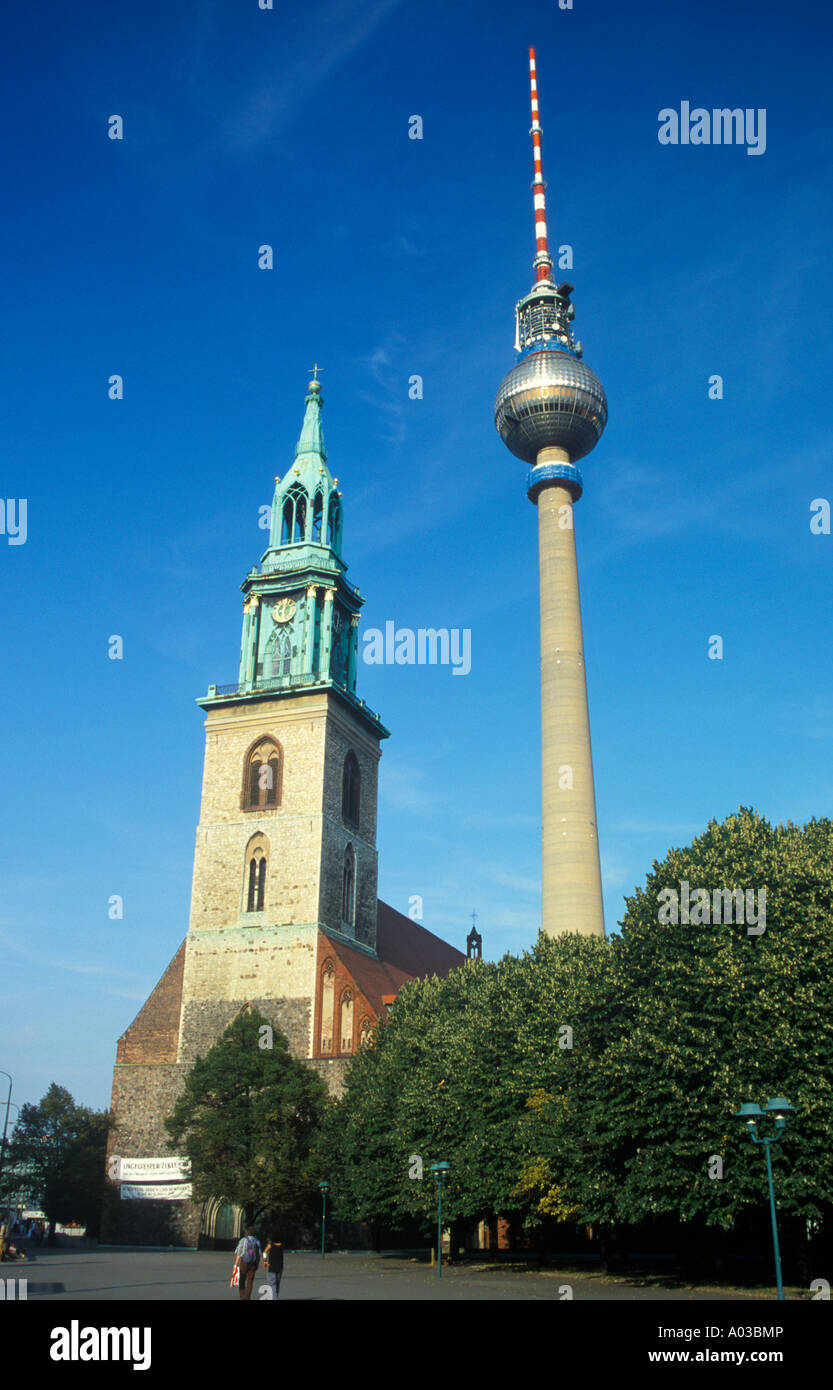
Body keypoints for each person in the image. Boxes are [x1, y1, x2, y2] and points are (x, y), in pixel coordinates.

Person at [232, 1225, 262, 1300]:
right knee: (250, 1281)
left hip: (244, 1262)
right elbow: (259, 1254)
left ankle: (242, 1295)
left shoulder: (243, 1240)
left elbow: (239, 1253)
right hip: (253, 1263)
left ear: (247, 1233)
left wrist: (236, 1264)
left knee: (242, 1279)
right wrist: (257, 1264)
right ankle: (247, 1297)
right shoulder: (257, 1241)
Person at [262, 1229, 284, 1300]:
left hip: (271, 1267)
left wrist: (265, 1261)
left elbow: (264, 1253)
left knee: (271, 1285)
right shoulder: (282, 1245)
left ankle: (273, 1298)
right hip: (280, 1267)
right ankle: (275, 1296)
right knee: (277, 1285)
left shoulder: (270, 1245)